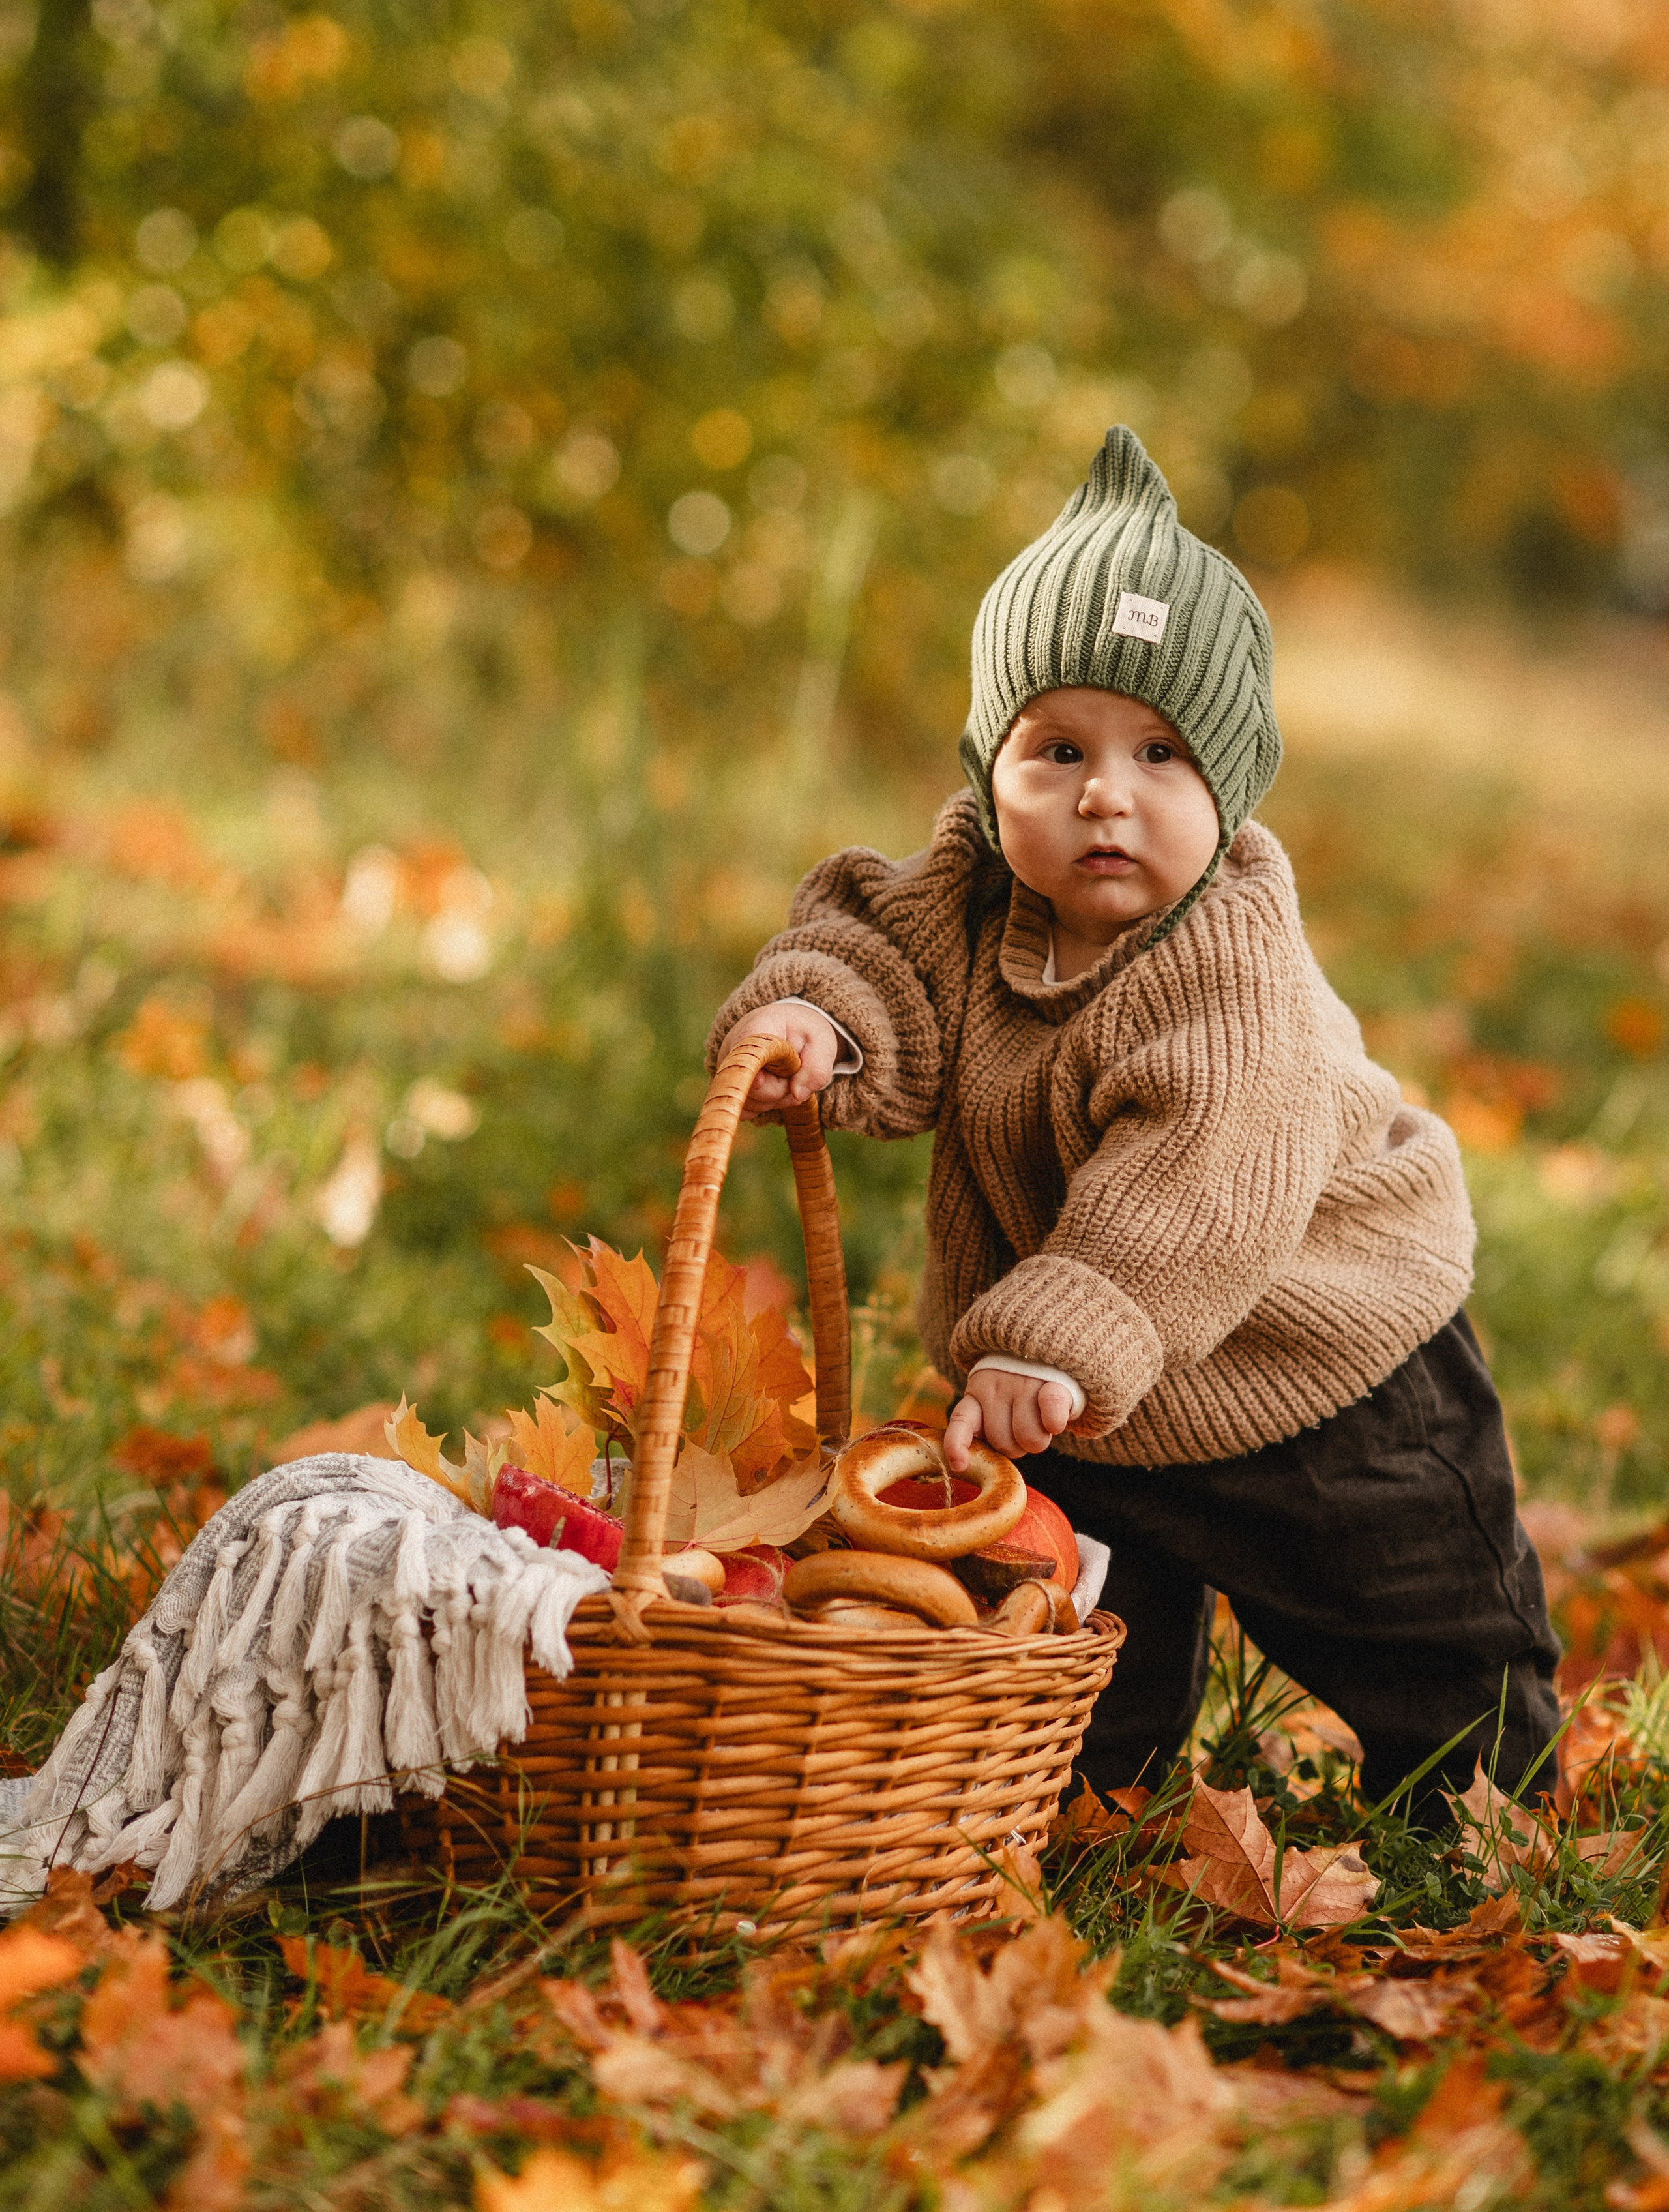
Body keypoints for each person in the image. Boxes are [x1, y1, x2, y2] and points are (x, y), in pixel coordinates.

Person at [709, 427, 1559, 1814]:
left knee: (1416, 1624)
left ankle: (1484, 1798)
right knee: (1077, 1626)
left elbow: (1198, 1181)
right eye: (1057, 749)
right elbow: (874, 951)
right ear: (991, 774)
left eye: (1159, 752)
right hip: (1082, 1405)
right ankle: (1088, 1787)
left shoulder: (1227, 964)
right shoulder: (975, 897)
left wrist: (1044, 1337)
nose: (1105, 792)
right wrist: (818, 1018)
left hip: (1318, 1368)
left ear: (1227, 793)